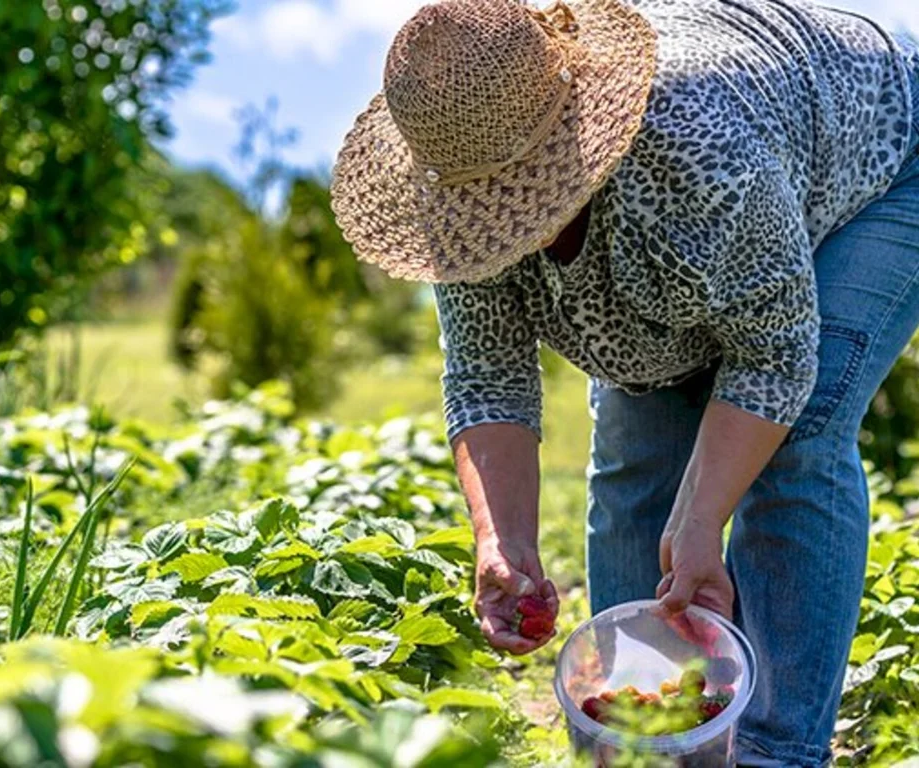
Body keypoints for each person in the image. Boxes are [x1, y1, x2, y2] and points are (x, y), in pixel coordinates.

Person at [329, 0, 919, 763]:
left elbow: (773, 356)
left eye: (514, 194)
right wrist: (500, 545)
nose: (498, 212)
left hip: (881, 161)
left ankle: (777, 748)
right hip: (736, 218)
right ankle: (646, 740)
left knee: (796, 438)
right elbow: (487, 377)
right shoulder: (464, 191)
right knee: (638, 464)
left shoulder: (694, 151)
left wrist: (703, 520)